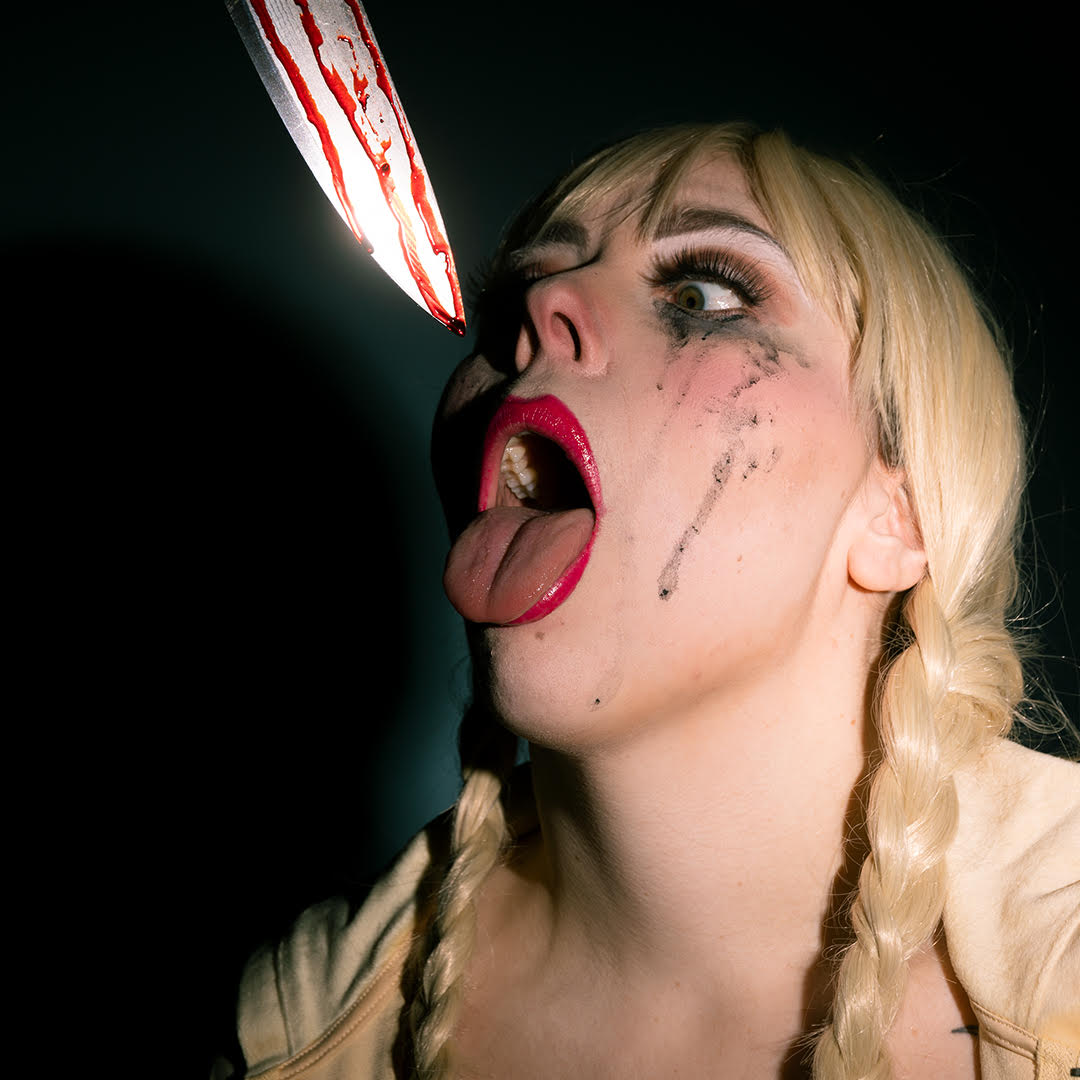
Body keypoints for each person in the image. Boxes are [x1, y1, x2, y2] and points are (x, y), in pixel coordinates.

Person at [226, 124, 1079, 1079]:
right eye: (517, 290)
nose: (539, 306)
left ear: (900, 514)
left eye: (702, 293)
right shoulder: (302, 1029)